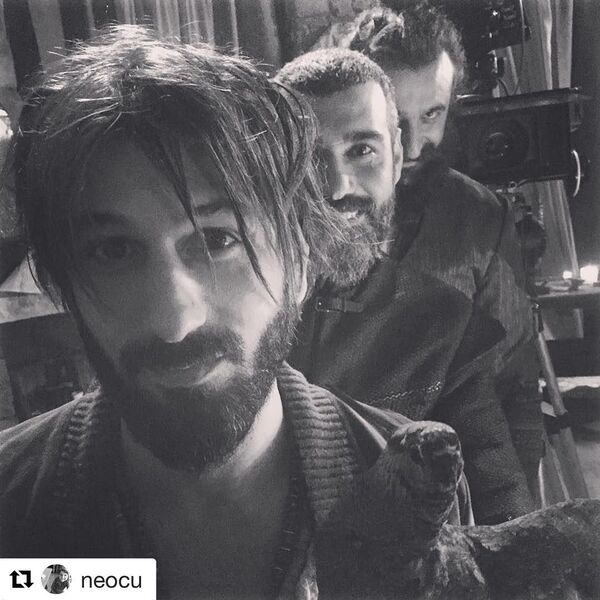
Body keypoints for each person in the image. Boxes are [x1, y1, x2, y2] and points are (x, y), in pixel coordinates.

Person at [0, 25, 472, 599]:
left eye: (218, 239)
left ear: (300, 261)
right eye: (113, 251)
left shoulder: (413, 487)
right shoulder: (12, 512)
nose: (175, 321)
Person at [278, 47, 535, 524]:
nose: (337, 186)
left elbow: (499, 499)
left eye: (362, 150)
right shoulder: (225, 312)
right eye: (311, 159)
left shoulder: (444, 325)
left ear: (396, 157)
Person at [347, 3, 544, 501]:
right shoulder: (314, 208)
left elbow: (515, 386)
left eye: (431, 114)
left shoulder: (482, 215)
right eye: (396, 120)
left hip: (452, 494)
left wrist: (514, 519)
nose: (414, 146)